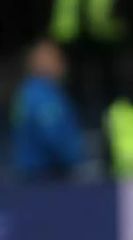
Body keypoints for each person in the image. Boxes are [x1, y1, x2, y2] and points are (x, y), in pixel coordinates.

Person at [10, 39, 85, 181]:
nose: (62, 64)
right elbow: (53, 135)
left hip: (32, 175)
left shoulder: (26, 92)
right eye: (56, 59)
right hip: (46, 177)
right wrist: (74, 159)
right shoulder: (42, 96)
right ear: (40, 62)